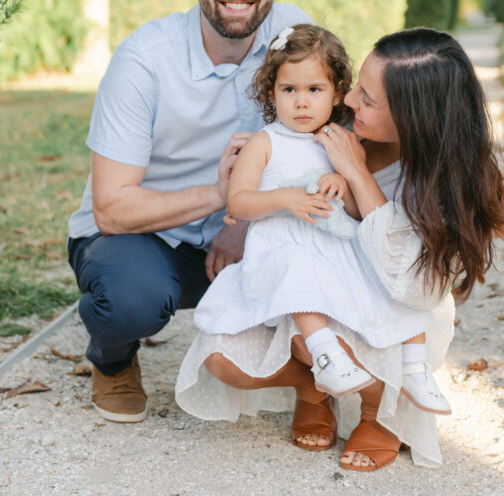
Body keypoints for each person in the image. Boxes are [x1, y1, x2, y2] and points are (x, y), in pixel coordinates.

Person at [176, 27, 504, 470]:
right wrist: (251, 199)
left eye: (368, 98)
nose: (350, 100)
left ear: (416, 116)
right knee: (224, 358)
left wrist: (356, 173)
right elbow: (279, 188)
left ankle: (382, 412)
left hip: (394, 300)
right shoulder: (327, 126)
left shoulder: (450, 181)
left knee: (312, 335)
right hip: (311, 277)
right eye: (356, 85)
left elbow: (412, 285)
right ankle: (314, 387)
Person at [67, 0, 311, 423]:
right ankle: (111, 359)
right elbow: (112, 209)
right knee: (131, 301)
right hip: (141, 236)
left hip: (242, 230)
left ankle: (312, 374)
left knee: (331, 236)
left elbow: (321, 139)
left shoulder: (291, 33)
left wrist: (247, 220)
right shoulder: (143, 61)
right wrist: (225, 197)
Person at [178, 23, 450, 410]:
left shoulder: (340, 140)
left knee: (387, 295)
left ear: (338, 92)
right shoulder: (264, 142)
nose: (301, 102)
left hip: (336, 248)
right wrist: (284, 198)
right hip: (285, 246)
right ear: (271, 92)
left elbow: (359, 214)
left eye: (314, 90)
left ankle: (415, 372)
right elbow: (237, 204)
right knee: (300, 275)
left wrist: (341, 185)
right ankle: (325, 356)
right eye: (289, 90)